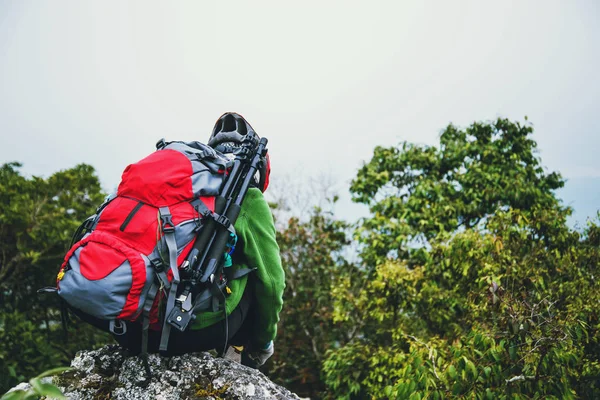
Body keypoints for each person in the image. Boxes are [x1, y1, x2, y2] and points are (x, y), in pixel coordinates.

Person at [112, 113, 285, 369]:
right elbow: (272, 284)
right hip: (189, 333)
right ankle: (237, 358)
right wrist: (264, 342)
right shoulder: (248, 197)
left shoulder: (178, 187)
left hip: (127, 326)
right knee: (255, 272)